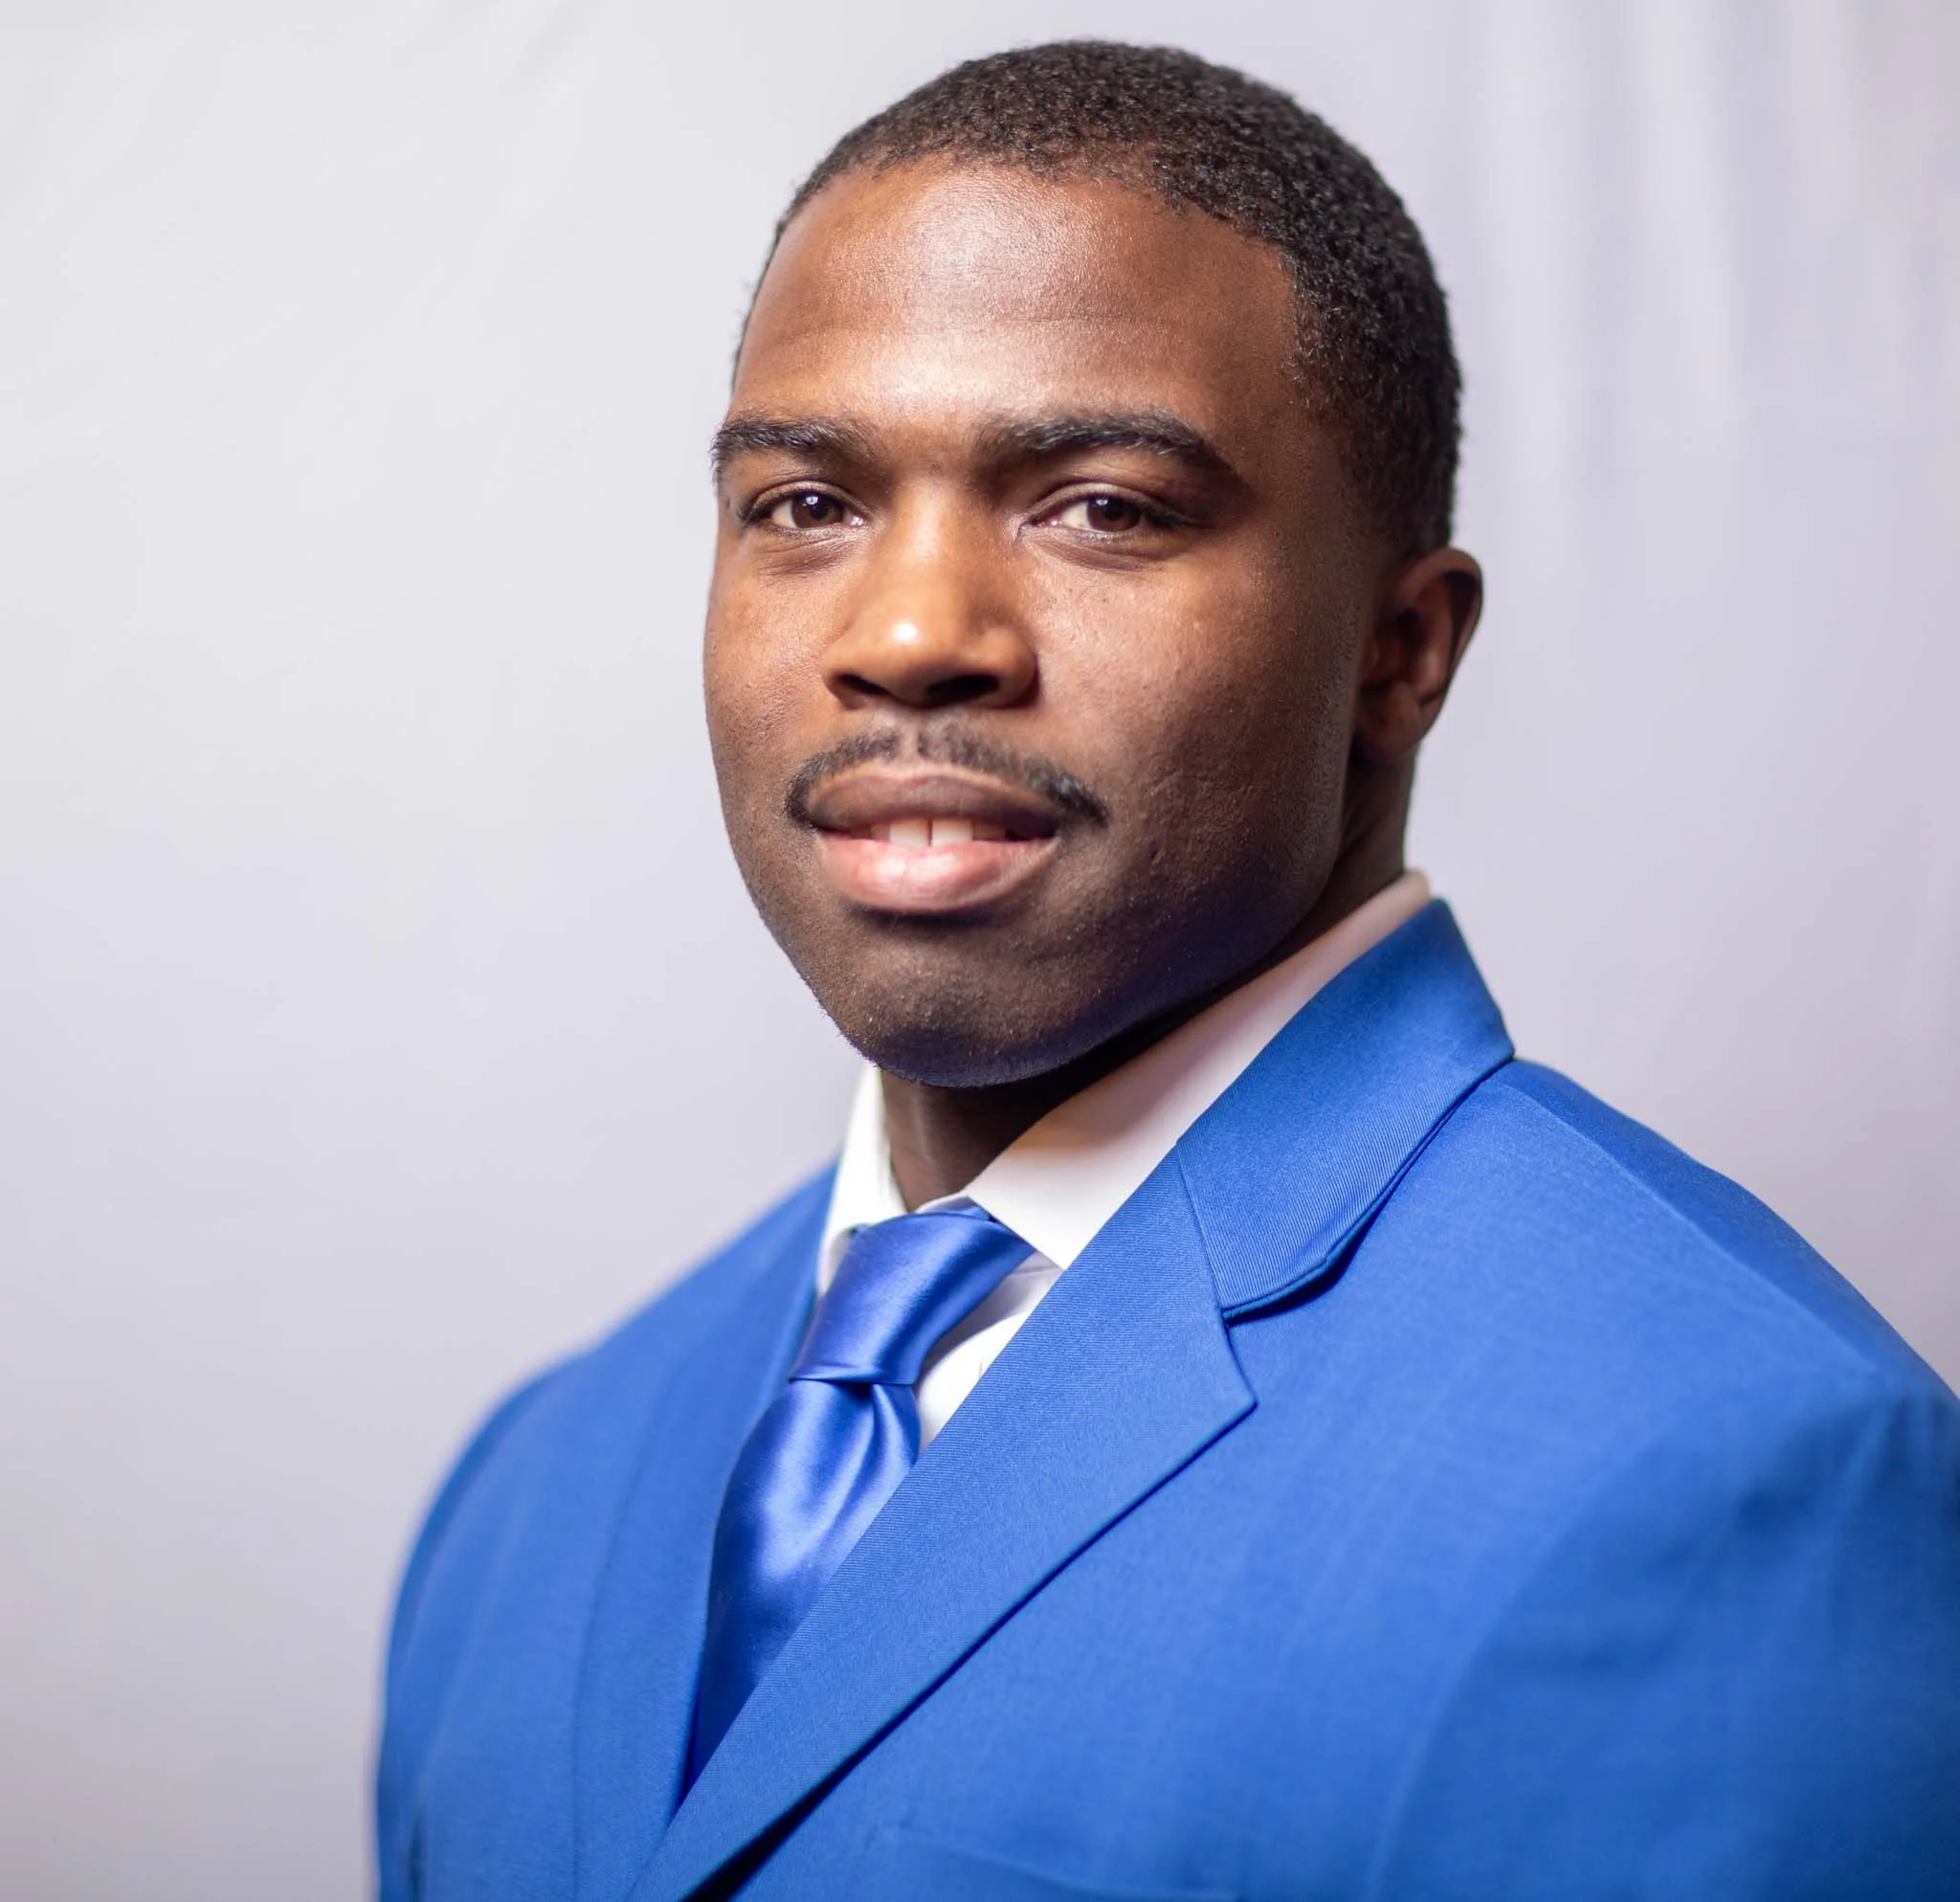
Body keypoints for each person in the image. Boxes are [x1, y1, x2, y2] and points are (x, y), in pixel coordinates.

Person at [376, 41, 1960, 1901]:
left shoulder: (1733, 1479)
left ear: (1400, 652)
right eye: (805, 504)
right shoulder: (545, 1478)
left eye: (1103, 505)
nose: (906, 635)